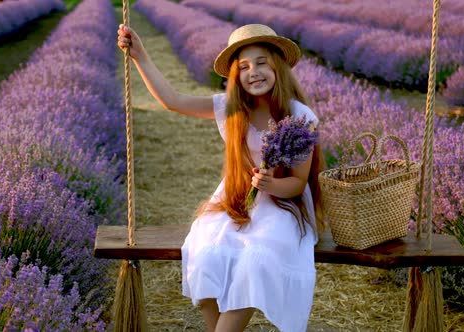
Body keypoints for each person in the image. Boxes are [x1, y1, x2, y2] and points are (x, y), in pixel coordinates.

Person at [117, 23, 325, 332]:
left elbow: (298, 182)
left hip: (283, 206)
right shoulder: (230, 108)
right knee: (205, 255)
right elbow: (173, 100)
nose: (253, 71)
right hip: (237, 198)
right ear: (235, 76)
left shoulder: (298, 116)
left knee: (255, 262)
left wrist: (271, 185)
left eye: (262, 62)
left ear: (278, 67)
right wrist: (141, 56)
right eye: (244, 67)